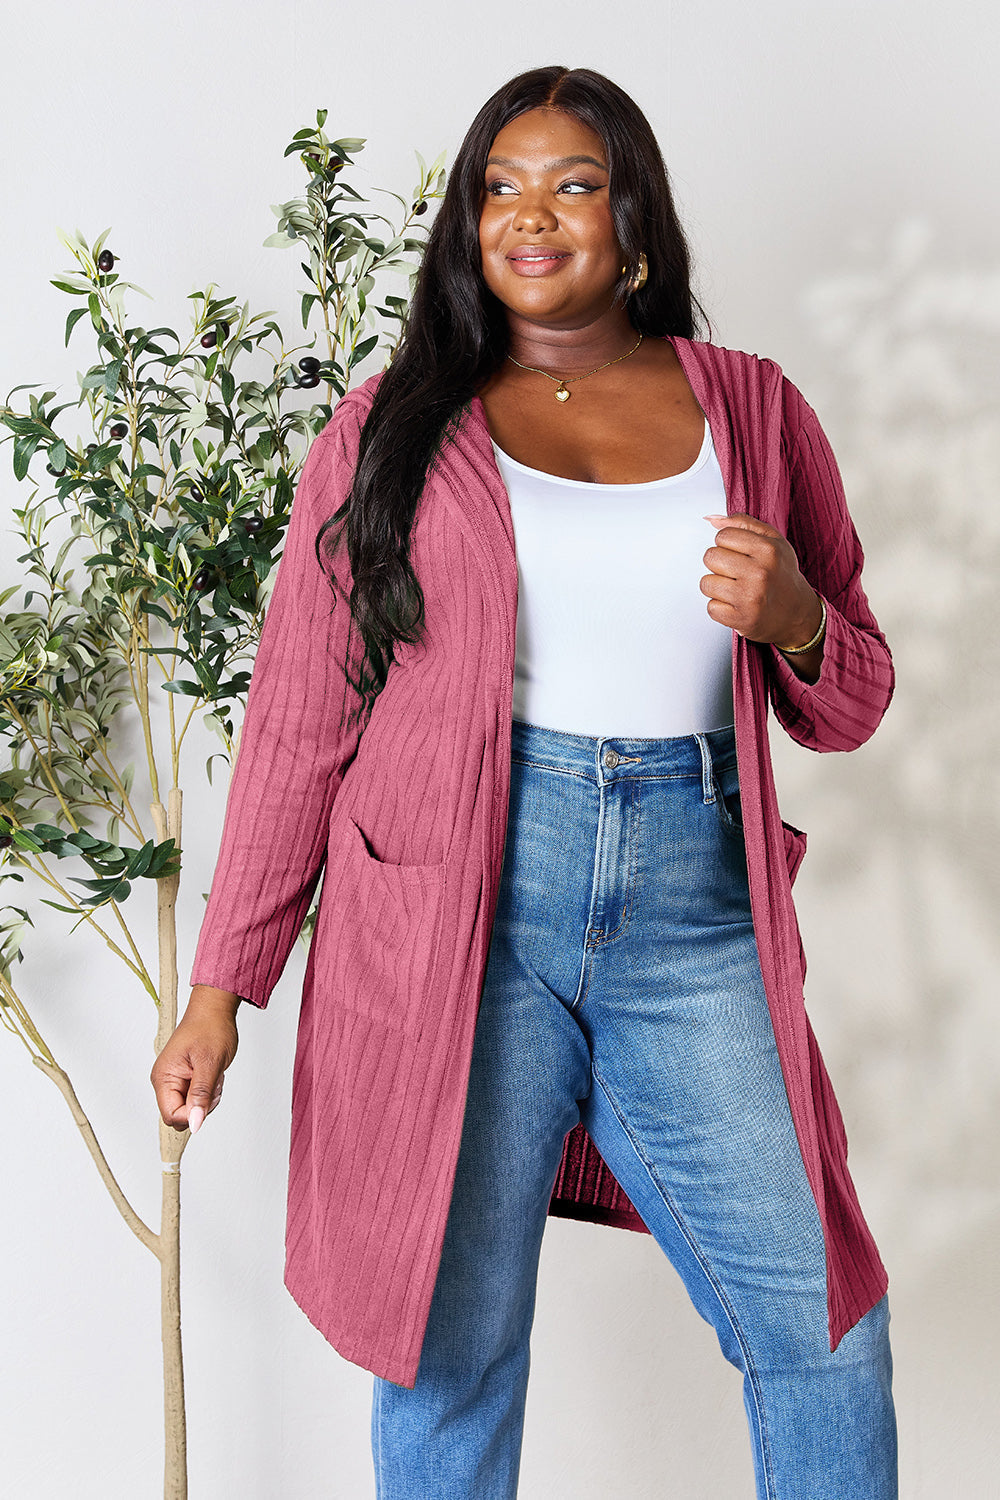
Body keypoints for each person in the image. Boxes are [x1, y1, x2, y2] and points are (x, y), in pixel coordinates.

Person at [151, 65, 898, 1499]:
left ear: (631, 218)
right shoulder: (390, 432)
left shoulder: (752, 411)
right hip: (451, 927)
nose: (531, 215)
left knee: (821, 1329)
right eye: (500, 185)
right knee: (449, 1348)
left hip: (695, 923)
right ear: (465, 223)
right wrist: (217, 994)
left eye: (572, 182)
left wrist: (797, 616)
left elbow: (853, 697)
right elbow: (303, 721)